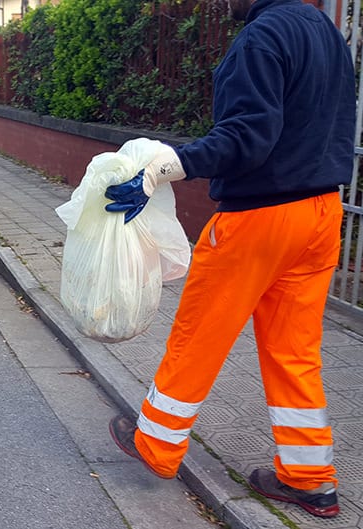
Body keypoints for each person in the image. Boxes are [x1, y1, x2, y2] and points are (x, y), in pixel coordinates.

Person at [103, 0, 355, 519]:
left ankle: (157, 442)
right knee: (294, 350)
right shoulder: (327, 34)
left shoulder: (261, 38)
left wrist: (165, 167)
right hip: (323, 212)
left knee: (201, 332)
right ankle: (311, 479)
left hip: (261, 215)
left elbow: (248, 136)